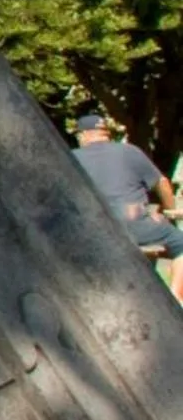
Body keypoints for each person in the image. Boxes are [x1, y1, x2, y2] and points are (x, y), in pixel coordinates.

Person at [72, 112, 183, 297]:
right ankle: (175, 299)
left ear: (83, 135)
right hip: (136, 227)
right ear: (106, 133)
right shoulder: (129, 151)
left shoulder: (72, 158)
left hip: (92, 230)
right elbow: (162, 183)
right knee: (180, 243)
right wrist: (167, 209)